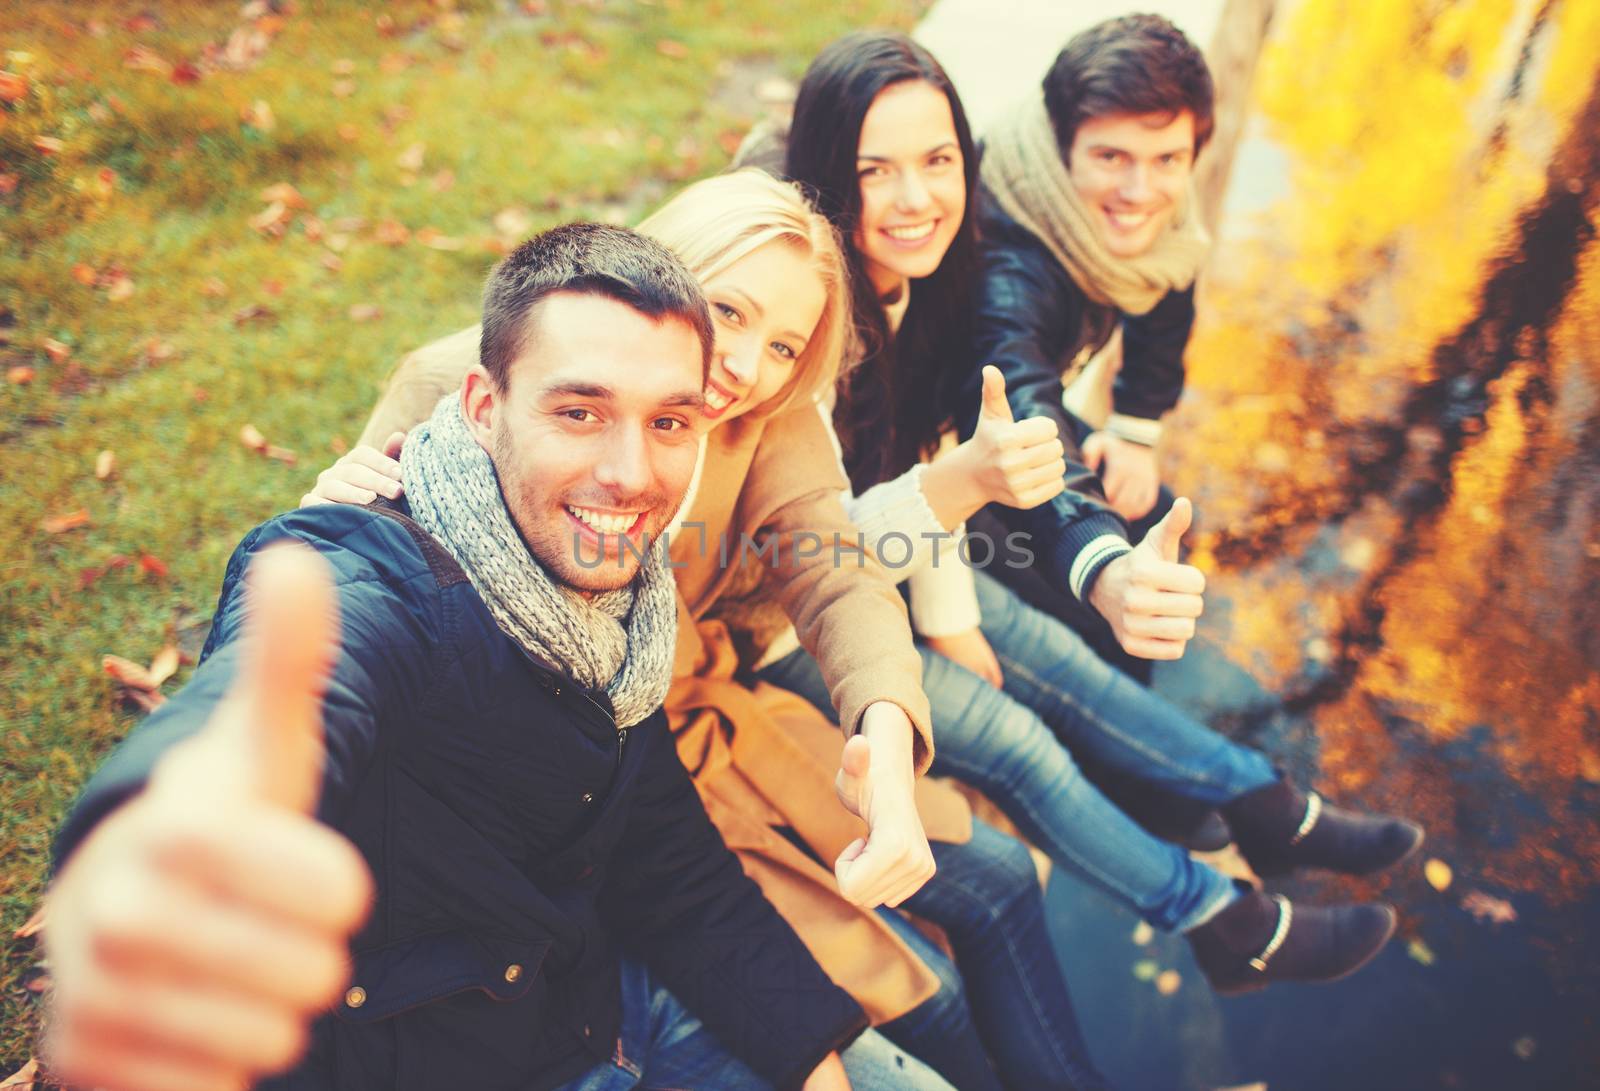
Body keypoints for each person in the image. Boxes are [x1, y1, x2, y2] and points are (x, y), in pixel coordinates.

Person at [43, 223, 947, 1091]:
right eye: (580, 411)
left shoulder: (621, 614)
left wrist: (812, 1059)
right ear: (484, 406)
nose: (630, 473)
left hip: (603, 1013)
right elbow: (289, 691)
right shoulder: (379, 577)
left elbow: (668, 863)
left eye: (669, 423)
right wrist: (168, 832)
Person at [309, 170, 1107, 1090]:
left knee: (997, 868)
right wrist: (330, 514)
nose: (744, 366)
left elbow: (837, 572)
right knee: (926, 997)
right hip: (551, 802)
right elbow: (344, 571)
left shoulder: (768, 419)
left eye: (782, 345)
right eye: (727, 311)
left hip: (673, 740)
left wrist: (885, 730)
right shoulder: (461, 386)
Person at [743, 29, 1422, 994]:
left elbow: (935, 443)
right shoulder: (849, 309)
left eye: (939, 162)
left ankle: (1262, 814)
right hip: (804, 606)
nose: (917, 196)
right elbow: (842, 524)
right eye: (874, 169)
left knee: (1079, 670)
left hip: (887, 552)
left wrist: (1123, 440)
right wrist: (1033, 575)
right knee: (1036, 730)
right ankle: (1230, 906)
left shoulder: (925, 274)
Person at [960, 13, 1221, 688]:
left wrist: (1134, 430)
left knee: (1156, 511)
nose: (1141, 193)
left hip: (1003, 431)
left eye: (1168, 160)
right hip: (939, 452)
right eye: (1111, 158)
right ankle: (1126, 752)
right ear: (1060, 145)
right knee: (1098, 597)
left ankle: (1141, 704)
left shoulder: (1157, 219)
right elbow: (1016, 398)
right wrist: (1099, 561)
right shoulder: (1009, 256)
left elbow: (1166, 282)